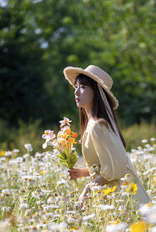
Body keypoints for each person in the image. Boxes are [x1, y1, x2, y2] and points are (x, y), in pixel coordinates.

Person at [63, 64, 151, 208]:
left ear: (96, 92)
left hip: (122, 197)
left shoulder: (98, 126)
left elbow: (115, 168)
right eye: (76, 87)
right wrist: (82, 172)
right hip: (114, 195)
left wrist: (88, 188)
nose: (77, 92)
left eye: (83, 87)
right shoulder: (92, 124)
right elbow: (106, 164)